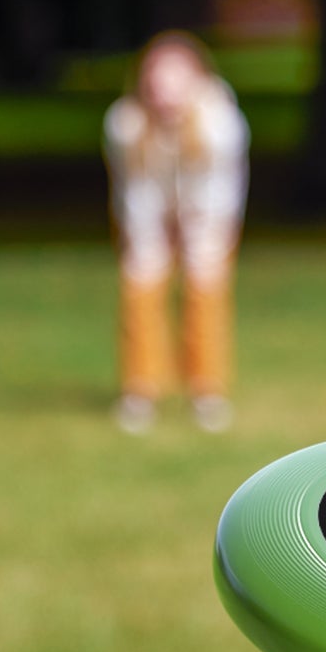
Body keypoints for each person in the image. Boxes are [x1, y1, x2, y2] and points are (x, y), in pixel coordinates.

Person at [103, 31, 249, 434]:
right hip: (147, 215)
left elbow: (221, 190)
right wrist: (150, 238)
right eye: (156, 80)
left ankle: (207, 391)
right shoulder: (125, 123)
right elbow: (134, 190)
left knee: (205, 291)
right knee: (140, 287)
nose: (164, 91)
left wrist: (197, 232)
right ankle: (140, 390)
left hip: (208, 216)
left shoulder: (221, 122)